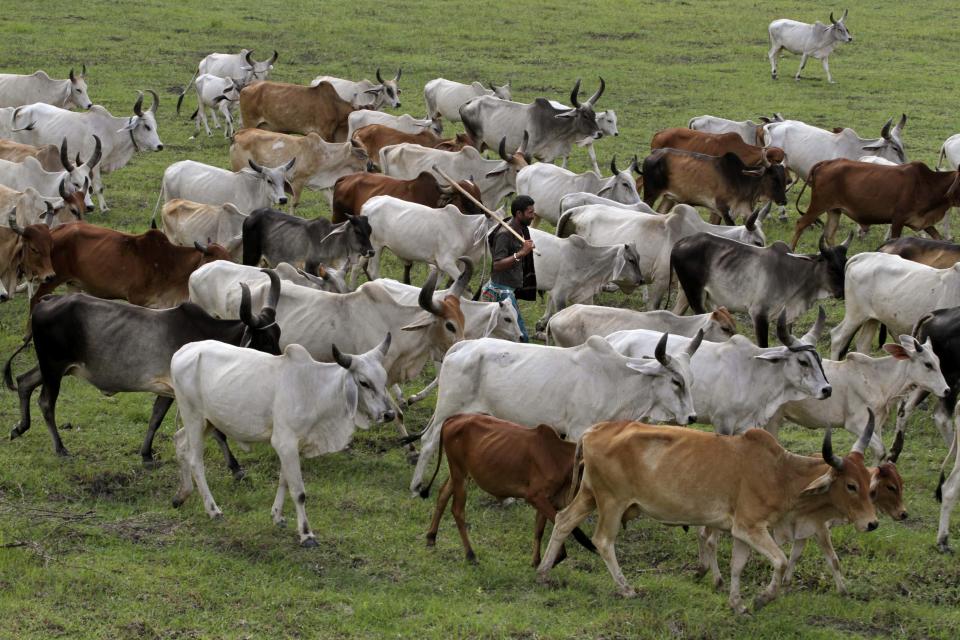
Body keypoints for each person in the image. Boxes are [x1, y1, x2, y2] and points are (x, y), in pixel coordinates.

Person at [480, 195, 537, 342]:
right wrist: (521, 253)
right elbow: (497, 264)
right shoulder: (504, 235)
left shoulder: (520, 229)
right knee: (522, 336)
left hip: (509, 287)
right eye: (530, 212)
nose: (533, 216)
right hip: (501, 291)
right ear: (519, 214)